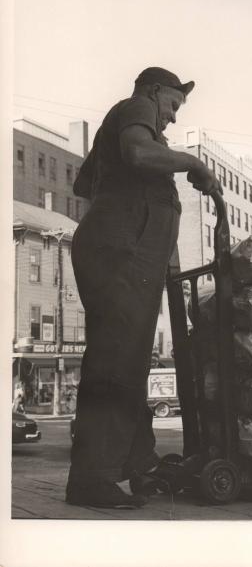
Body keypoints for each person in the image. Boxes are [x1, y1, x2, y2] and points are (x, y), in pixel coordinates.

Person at [66, 67, 222, 508]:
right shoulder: (137, 107)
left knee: (129, 358)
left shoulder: (129, 122)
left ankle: (138, 463)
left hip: (124, 250)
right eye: (172, 104)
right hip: (122, 249)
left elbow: (86, 181)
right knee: (115, 360)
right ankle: (91, 478)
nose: (171, 117)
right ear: (154, 92)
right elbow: (136, 153)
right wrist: (192, 162)